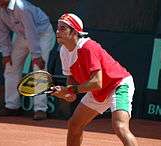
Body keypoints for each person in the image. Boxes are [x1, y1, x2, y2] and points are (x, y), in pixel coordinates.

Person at [51, 13, 138, 146]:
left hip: (118, 84)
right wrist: (66, 94)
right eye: (58, 28)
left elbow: (97, 82)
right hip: (98, 91)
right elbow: (72, 89)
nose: (58, 31)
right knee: (74, 124)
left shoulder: (87, 47)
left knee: (120, 126)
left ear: (74, 32)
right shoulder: (64, 51)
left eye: (63, 28)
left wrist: (70, 89)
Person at [0, 0, 56, 120]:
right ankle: (12, 106)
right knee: (10, 66)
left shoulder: (22, 7)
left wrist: (36, 55)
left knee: (39, 70)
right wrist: (5, 53)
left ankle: (40, 109)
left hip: (42, 33)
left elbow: (31, 31)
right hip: (23, 35)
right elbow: (0, 30)